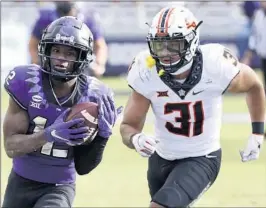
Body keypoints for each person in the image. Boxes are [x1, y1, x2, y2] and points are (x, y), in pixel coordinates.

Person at [120, 6, 265, 207]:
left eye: (174, 44)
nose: (166, 53)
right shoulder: (146, 71)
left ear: (191, 40)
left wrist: (258, 134)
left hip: (202, 157)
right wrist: (136, 138)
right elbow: (128, 126)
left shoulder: (215, 65)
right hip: (160, 159)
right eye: (160, 46)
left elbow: (254, 85)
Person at [3, 16, 120, 208]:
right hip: (20, 182)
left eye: (69, 53)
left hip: (59, 186)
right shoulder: (26, 82)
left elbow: (83, 167)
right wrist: (48, 135)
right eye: (56, 50)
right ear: (46, 49)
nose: (61, 59)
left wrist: (102, 138)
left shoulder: (94, 97)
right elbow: (10, 147)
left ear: (81, 57)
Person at [29, 1, 108, 77]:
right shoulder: (46, 17)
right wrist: (36, 62)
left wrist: (99, 65)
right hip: (51, 66)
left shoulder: (87, 17)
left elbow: (100, 45)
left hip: (80, 69)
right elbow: (33, 43)